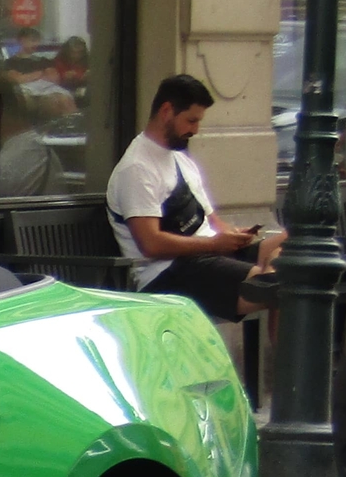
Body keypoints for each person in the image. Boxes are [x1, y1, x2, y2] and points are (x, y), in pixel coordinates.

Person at [106, 75, 279, 319]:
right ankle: (290, 352)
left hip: (207, 255)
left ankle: (272, 272)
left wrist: (233, 235)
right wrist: (214, 244)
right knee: (280, 287)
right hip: (170, 273)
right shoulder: (137, 168)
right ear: (167, 111)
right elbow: (150, 244)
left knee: (291, 248)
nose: (195, 130)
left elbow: (212, 221)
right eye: (191, 121)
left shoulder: (179, 159)